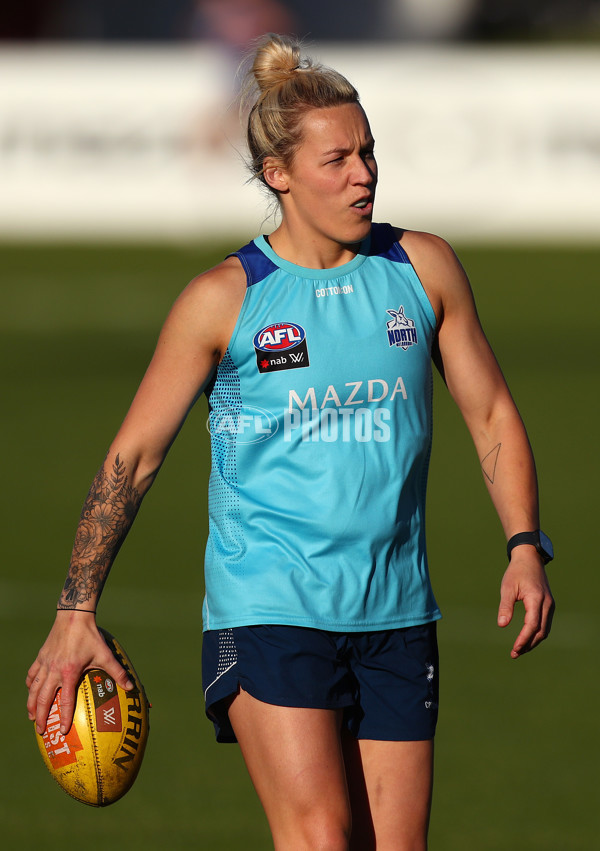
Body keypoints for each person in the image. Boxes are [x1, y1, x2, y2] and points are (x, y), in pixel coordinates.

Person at [27, 34, 554, 851]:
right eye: (337, 159)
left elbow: (490, 415)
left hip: (395, 611)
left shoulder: (424, 268)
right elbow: (132, 458)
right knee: (319, 838)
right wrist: (75, 608)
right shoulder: (222, 299)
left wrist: (524, 542)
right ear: (279, 174)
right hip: (269, 608)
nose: (364, 174)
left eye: (369, 152)